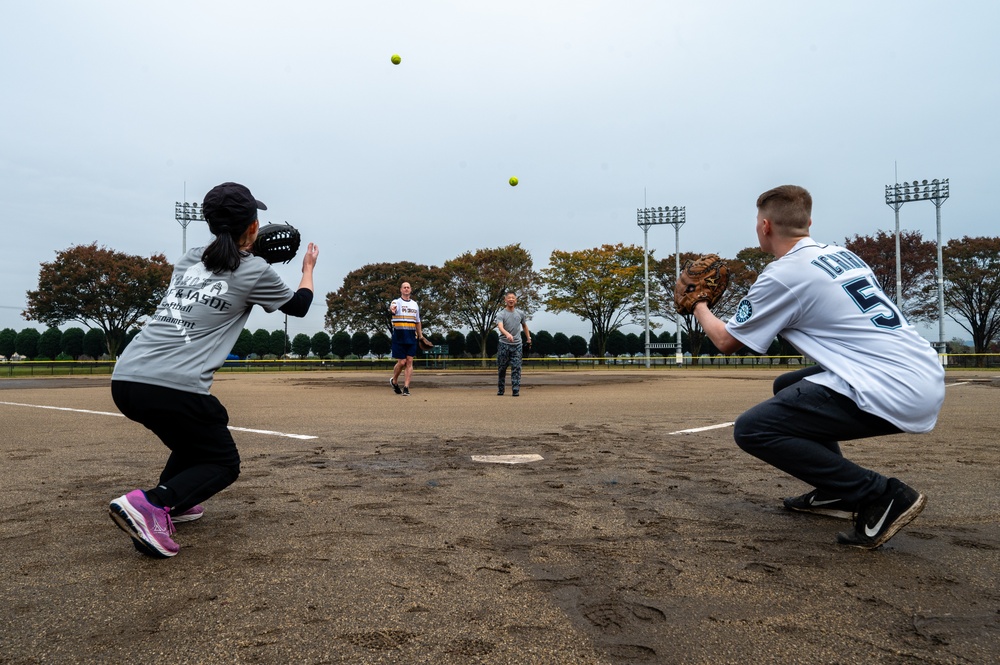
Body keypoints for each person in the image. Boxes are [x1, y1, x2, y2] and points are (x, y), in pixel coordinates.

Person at [693, 184, 945, 549]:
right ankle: (838, 492)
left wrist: (698, 303)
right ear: (808, 222)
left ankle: (879, 494)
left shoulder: (784, 273)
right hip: (917, 369)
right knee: (787, 385)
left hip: (890, 384)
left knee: (753, 429)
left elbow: (727, 341)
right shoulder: (841, 255)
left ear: (765, 226)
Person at [108, 182, 319, 558]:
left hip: (127, 377)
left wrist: (249, 250)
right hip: (173, 385)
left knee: (204, 428)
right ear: (253, 227)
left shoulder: (188, 258)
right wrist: (307, 269)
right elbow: (299, 306)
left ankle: (178, 500)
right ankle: (153, 504)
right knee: (223, 461)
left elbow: (222, 270)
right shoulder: (255, 270)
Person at [389, 281, 422, 396]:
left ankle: (406, 387)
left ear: (411, 289)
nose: (406, 289)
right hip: (399, 335)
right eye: (404, 287)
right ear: (401, 290)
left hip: (411, 336)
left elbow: (417, 321)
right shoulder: (396, 302)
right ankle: (394, 380)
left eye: (408, 287)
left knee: (409, 361)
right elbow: (392, 307)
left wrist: (421, 335)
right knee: (402, 362)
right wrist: (392, 309)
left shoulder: (415, 304)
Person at [495, 292, 531, 397]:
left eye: (513, 298)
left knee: (516, 367)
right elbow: (500, 327)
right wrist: (507, 334)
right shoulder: (501, 314)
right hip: (504, 344)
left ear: (516, 300)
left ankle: (516, 389)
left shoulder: (520, 313)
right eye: (509, 298)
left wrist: (528, 338)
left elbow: (524, 326)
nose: (511, 300)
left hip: (517, 345)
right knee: (502, 368)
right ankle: (501, 389)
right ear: (505, 300)